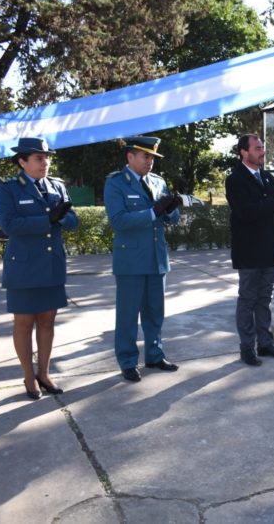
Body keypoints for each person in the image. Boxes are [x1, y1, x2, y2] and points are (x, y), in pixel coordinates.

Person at [0, 137, 78, 399]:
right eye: (39, 158)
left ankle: (44, 373)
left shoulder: (57, 187)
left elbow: (73, 222)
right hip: (23, 267)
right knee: (23, 323)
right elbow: (9, 225)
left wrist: (63, 217)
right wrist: (46, 219)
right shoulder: (10, 188)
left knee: (47, 321)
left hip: (51, 265)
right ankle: (28, 377)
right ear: (23, 161)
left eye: (47, 157)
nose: (45, 162)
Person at [103, 136, 182, 382]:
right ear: (130, 156)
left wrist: (171, 210)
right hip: (131, 260)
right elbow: (118, 221)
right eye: (146, 156)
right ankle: (127, 361)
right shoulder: (116, 183)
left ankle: (154, 355)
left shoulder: (158, 182)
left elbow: (172, 217)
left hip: (157, 258)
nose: (150, 162)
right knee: (128, 315)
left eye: (153, 158)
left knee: (155, 312)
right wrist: (152, 212)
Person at [225, 134, 274, 366]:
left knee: (264, 299)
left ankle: (265, 343)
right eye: (257, 148)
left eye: (263, 147)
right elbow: (247, 213)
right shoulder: (235, 180)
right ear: (243, 152)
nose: (262, 151)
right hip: (249, 251)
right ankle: (247, 347)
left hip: (269, 249)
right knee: (247, 299)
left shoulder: (266, 177)